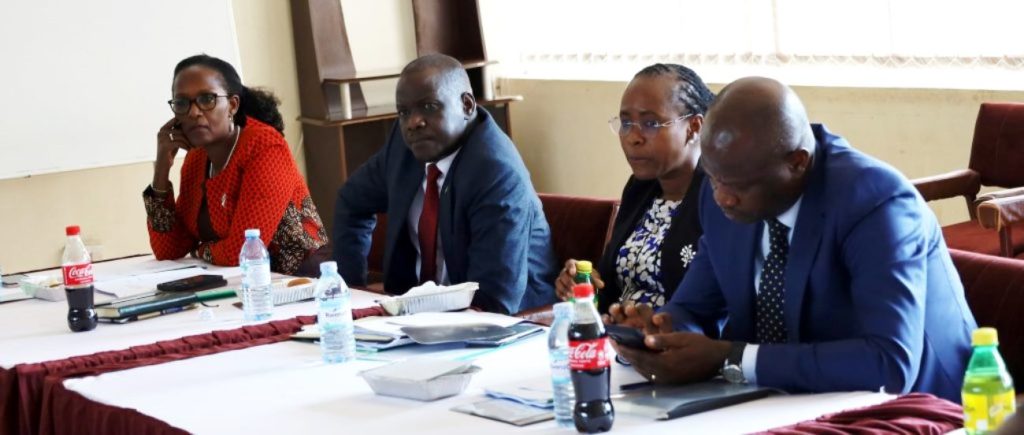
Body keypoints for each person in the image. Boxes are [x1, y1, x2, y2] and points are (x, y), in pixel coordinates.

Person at [609, 77, 976, 403]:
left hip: (919, 408)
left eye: (736, 185)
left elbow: (890, 364)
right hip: (785, 402)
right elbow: (697, 307)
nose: (721, 197)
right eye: (713, 177)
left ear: (798, 162)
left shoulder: (875, 202)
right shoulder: (723, 185)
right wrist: (661, 332)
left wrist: (730, 357)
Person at [332, 54, 557, 314]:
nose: (413, 122)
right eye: (404, 112)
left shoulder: (496, 172)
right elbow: (351, 201)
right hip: (415, 317)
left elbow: (494, 300)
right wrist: (350, 293)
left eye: (429, 107)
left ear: (467, 105)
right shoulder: (406, 146)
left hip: (515, 324)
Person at [145, 54, 329, 276]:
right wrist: (162, 170)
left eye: (206, 99)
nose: (193, 112)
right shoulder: (196, 159)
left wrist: (200, 250)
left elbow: (242, 251)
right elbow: (169, 250)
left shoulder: (265, 146)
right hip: (235, 283)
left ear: (232, 105)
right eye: (182, 103)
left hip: (298, 282)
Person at [554, 64, 713, 313]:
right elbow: (616, 284)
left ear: (693, 127)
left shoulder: (718, 197)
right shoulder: (641, 189)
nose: (632, 137)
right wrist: (586, 283)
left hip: (674, 343)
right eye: (626, 123)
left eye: (650, 123)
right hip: (620, 338)